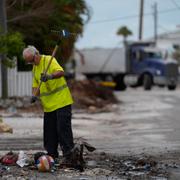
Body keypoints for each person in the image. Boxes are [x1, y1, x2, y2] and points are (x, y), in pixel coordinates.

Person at [22, 45, 74, 165]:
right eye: (29, 62)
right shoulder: (35, 68)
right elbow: (36, 85)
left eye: (32, 60)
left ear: (37, 53)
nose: (32, 63)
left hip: (61, 101)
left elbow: (60, 72)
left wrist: (50, 76)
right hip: (49, 105)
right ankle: (52, 155)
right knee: (49, 132)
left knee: (63, 130)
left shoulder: (49, 60)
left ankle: (69, 155)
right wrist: (34, 95)